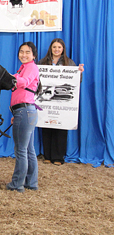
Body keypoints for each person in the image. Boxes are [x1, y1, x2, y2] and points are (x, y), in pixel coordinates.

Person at [38, 38, 84, 166]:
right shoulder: (43, 62)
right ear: (50, 49)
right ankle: (47, 155)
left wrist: (79, 72)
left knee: (61, 127)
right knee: (46, 126)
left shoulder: (69, 63)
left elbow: (76, 81)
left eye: (59, 47)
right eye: (54, 47)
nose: (56, 49)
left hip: (62, 102)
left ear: (63, 49)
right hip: (46, 101)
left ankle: (58, 157)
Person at [7, 42, 40, 193]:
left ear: (34, 55)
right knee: (29, 150)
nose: (24, 55)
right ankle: (31, 182)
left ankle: (17, 184)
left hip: (24, 111)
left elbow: (24, 82)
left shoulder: (31, 67)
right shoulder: (24, 68)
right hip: (26, 112)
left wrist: (9, 77)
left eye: (27, 52)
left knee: (21, 150)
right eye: (21, 51)